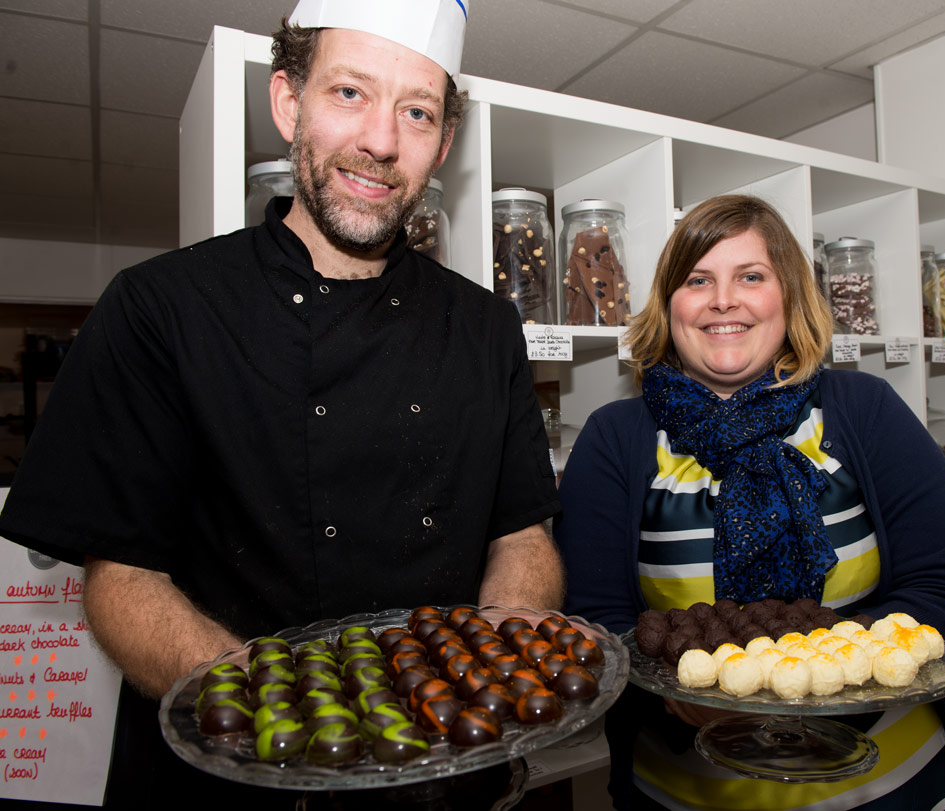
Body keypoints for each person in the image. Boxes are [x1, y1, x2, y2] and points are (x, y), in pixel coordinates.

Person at [0, 0, 563, 806]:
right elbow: (119, 578)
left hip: (448, 772)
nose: (379, 140)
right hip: (227, 779)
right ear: (287, 102)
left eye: (416, 111)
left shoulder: (485, 326)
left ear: (441, 145)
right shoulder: (160, 309)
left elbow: (523, 532)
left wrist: (490, 663)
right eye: (349, 93)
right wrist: (287, 711)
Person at [555, 194, 945, 810]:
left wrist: (820, 670)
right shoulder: (616, 437)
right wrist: (683, 688)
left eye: (751, 277)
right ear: (669, 305)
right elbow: (593, 626)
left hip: (893, 786)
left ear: (789, 295)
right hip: (686, 792)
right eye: (697, 280)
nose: (723, 300)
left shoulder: (864, 411)